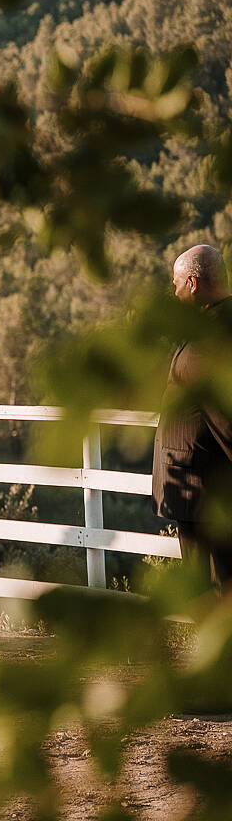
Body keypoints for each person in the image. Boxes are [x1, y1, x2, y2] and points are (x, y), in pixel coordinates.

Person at [153, 244, 232, 591]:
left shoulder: (212, 337)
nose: (174, 290)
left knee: (211, 590)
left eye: (176, 283)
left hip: (203, 490)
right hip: (196, 486)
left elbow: (225, 418)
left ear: (193, 283)